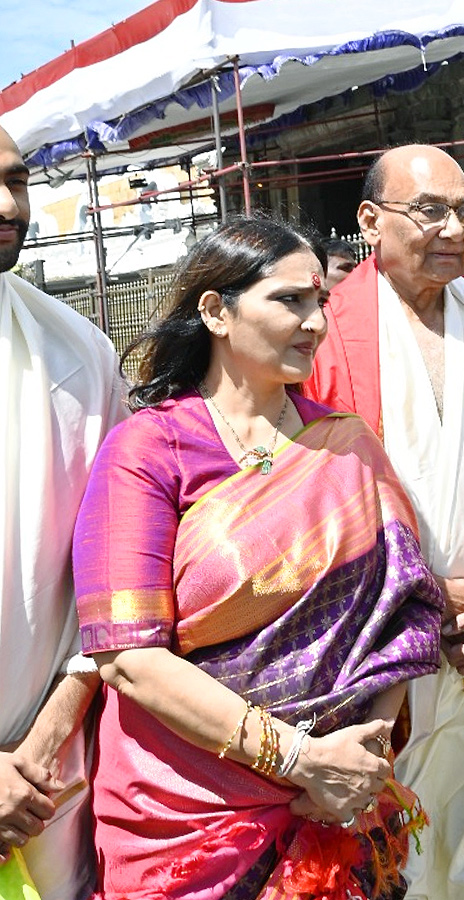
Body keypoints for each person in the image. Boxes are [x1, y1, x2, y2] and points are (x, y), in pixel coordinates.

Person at [71, 218, 444, 898]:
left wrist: (361, 757)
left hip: (340, 805)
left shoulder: (346, 446)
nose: (314, 322)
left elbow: (404, 613)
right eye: (289, 300)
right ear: (215, 310)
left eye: (320, 301)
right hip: (186, 817)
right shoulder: (148, 451)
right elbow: (127, 656)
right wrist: (300, 758)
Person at [306, 145, 464, 900]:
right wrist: (416, 591)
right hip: (386, 659)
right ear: (370, 220)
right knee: (395, 865)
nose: (453, 226)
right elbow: (303, 513)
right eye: (429, 210)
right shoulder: (325, 331)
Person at [0, 123, 126, 899]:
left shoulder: (77, 353)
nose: (5, 202)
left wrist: (41, 745)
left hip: (44, 777)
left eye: (15, 180)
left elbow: (112, 585)